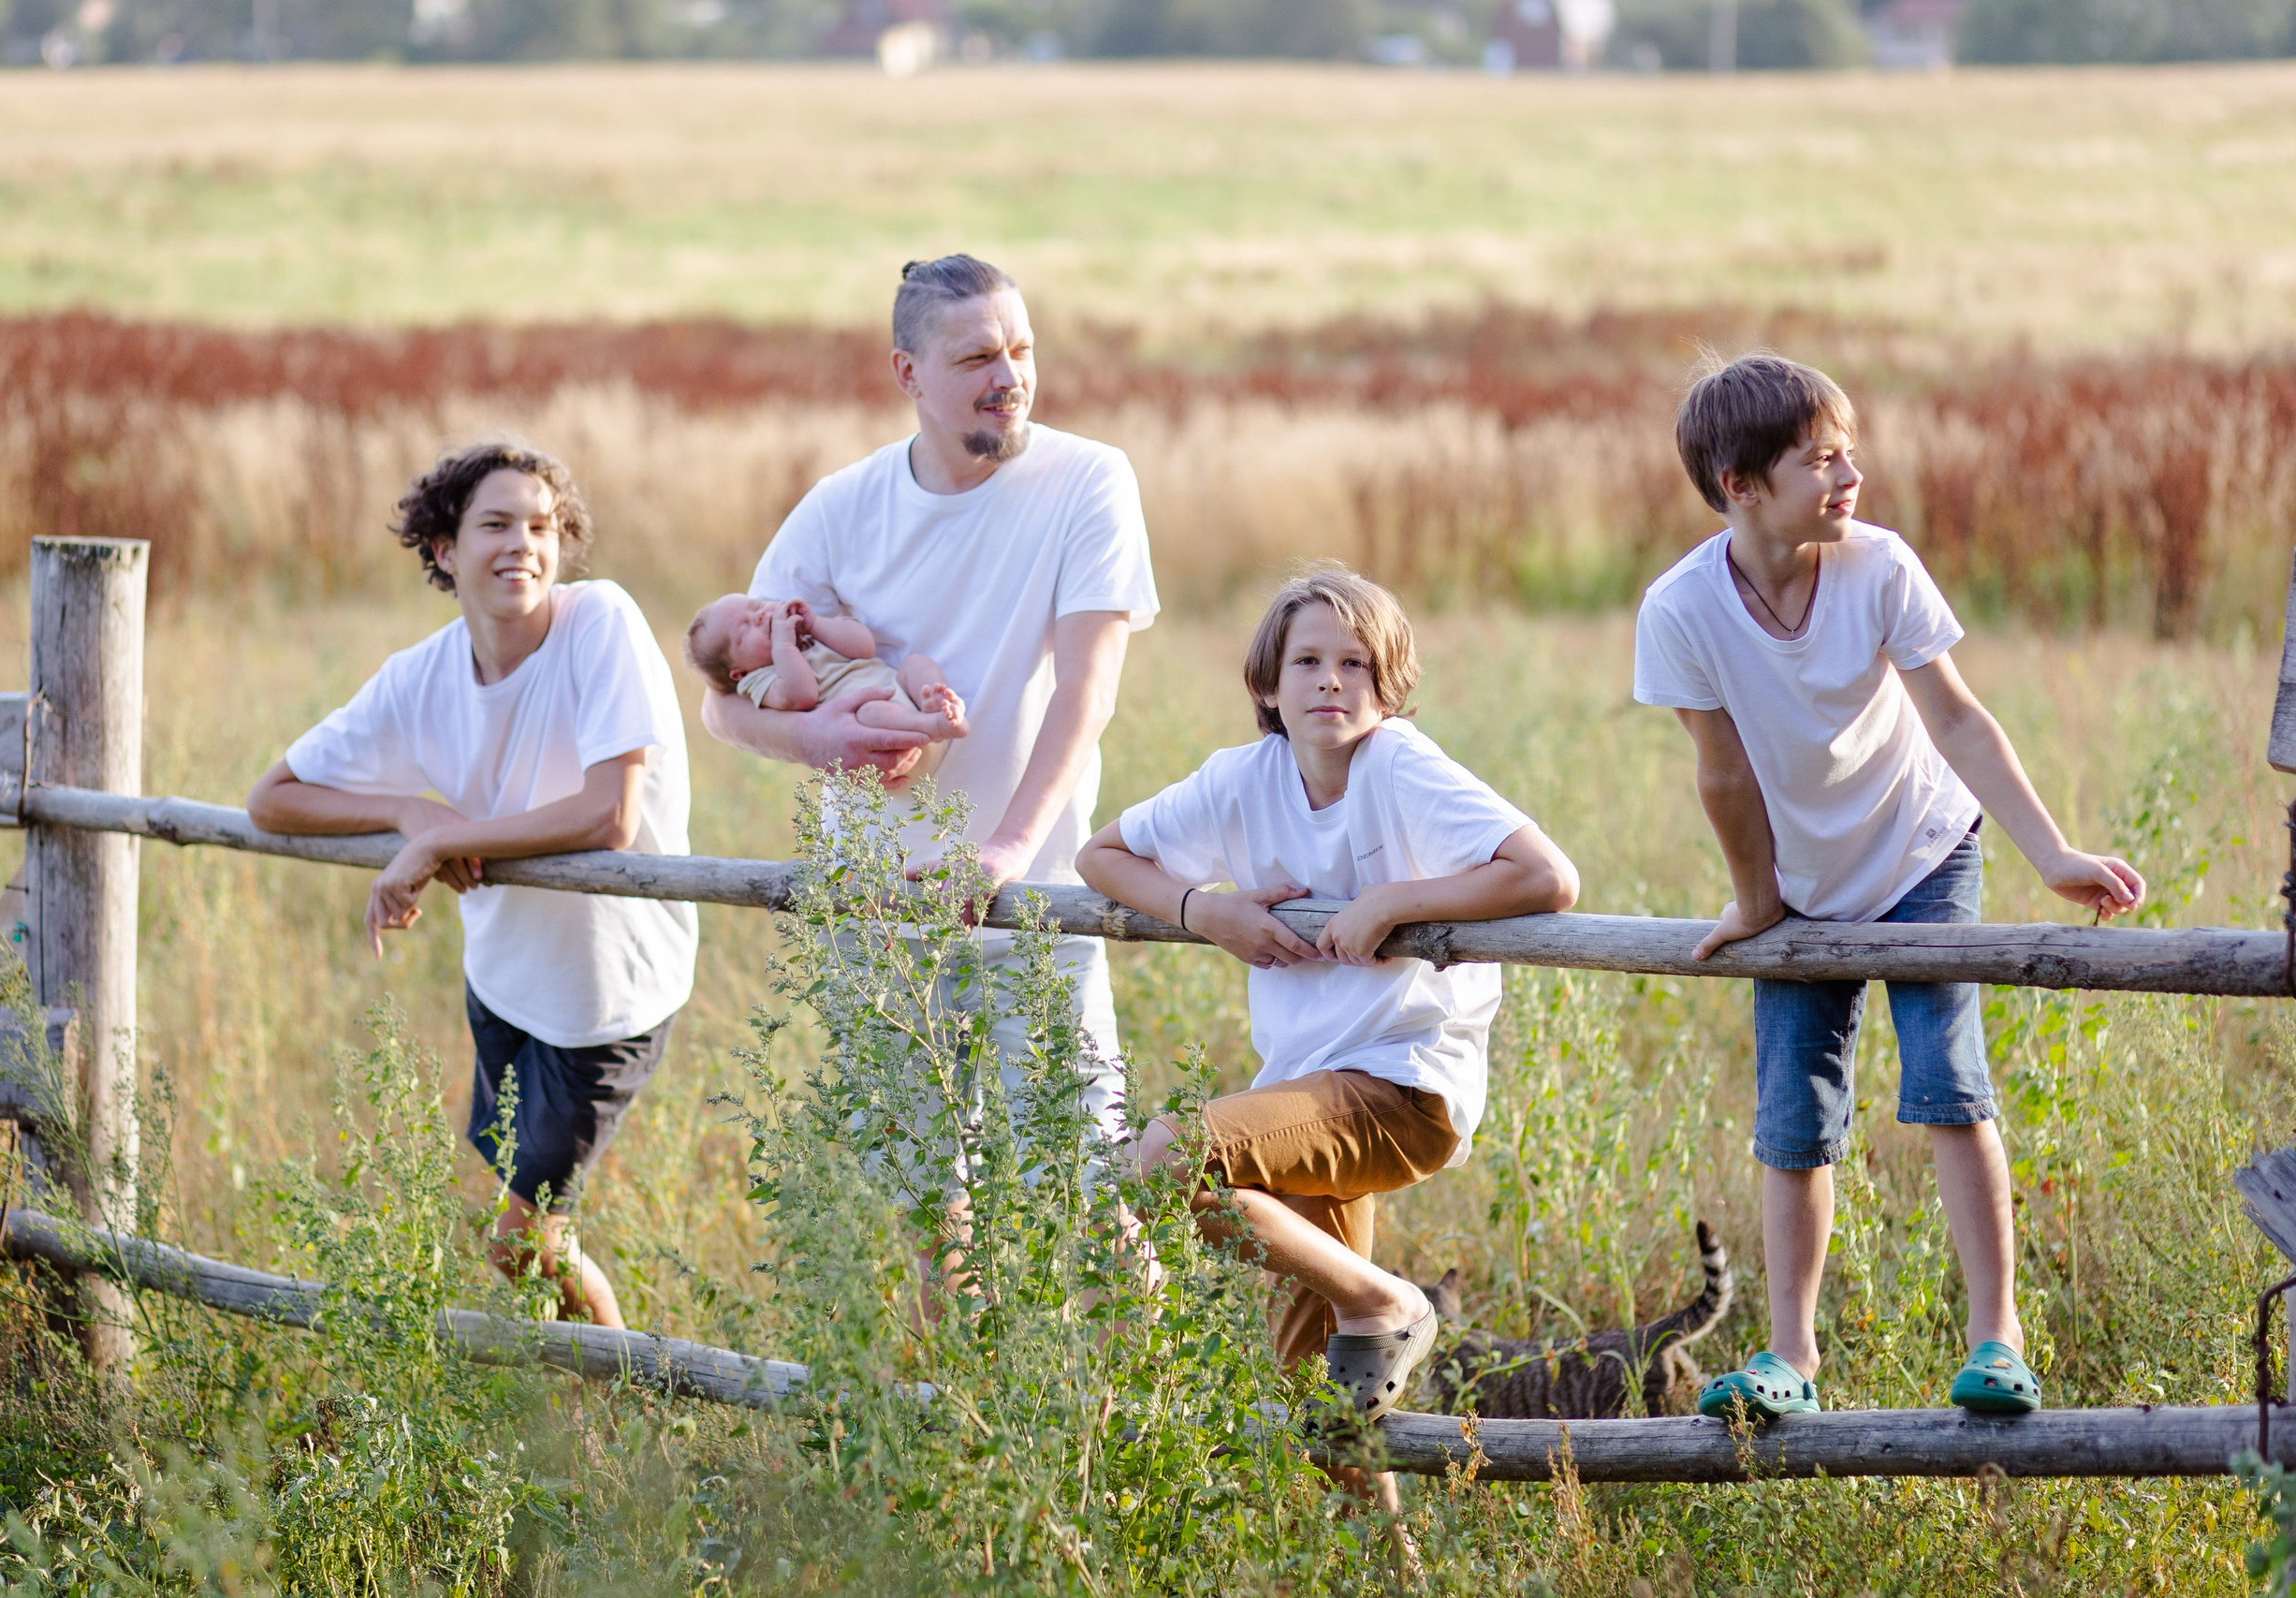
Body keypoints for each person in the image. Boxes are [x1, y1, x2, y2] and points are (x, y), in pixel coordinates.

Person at [1631, 353, 2143, 1421]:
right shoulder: (1679, 610)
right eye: (1820, 460)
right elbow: (1720, 771)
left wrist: (2050, 854)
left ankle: (1995, 1339)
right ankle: (1791, 1359)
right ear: (1742, 486)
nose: (1848, 474)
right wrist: (1758, 902)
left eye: (1848, 451)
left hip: (1921, 852)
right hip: (1801, 882)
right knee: (1791, 1115)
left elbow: (1955, 718)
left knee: (1947, 1081)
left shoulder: (1879, 568)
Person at [1076, 567, 1579, 1513]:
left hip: (1402, 1084)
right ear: (1268, 683)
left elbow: (1547, 876)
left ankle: (1387, 1301)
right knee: (1324, 1406)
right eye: (1307, 660)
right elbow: (1100, 855)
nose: (1330, 682)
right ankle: (1392, 1567)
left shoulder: (1400, 766)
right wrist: (1203, 910)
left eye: (1356, 665)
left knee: (1169, 1154)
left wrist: (1396, 899)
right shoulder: (1242, 780)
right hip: (1304, 1097)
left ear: (1387, 690)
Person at [696, 253, 1158, 1147]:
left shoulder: (1089, 480)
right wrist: (816, 741)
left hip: (1031, 908)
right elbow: (724, 706)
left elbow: (1089, 687)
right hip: (875, 920)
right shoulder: (839, 508)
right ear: (907, 372)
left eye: (1021, 350)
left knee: (1087, 1187)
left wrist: (1006, 852)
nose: (1011, 378)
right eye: (978, 358)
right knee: (925, 1214)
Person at [247, 441, 695, 1329]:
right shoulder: (420, 677)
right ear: (445, 548)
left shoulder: (600, 623)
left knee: (518, 1241)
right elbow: (272, 800)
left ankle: (629, 1397)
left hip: (607, 997)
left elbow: (610, 813)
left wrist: (444, 836)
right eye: (495, 524)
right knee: (531, 1242)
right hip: (503, 984)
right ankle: (588, 1405)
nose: (522, 544)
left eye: (542, 526)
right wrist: (412, 818)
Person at [684, 594, 969, 783]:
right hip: (880, 734)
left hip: (897, 689)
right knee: (872, 711)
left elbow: (864, 646)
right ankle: (933, 723)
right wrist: (783, 644)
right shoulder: (758, 681)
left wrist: (817, 624)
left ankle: (936, 702)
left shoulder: (811, 632)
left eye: (757, 607)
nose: (759, 617)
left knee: (916, 664)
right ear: (739, 672)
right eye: (744, 630)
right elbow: (802, 694)